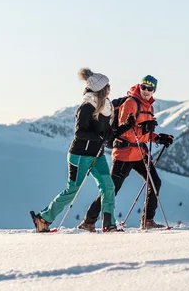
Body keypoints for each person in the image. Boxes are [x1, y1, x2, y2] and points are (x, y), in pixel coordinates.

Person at [30, 69, 135, 233]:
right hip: (80, 155)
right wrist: (100, 136)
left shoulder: (106, 107)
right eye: (107, 86)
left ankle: (109, 224)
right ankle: (43, 218)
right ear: (101, 89)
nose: (110, 88)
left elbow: (107, 135)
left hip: (97, 155)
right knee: (72, 190)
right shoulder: (86, 107)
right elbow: (80, 133)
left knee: (109, 187)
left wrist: (126, 127)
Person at [78, 75, 174, 231]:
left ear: (153, 91)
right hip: (125, 153)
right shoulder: (131, 103)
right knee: (112, 189)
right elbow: (125, 132)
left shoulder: (149, 106)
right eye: (143, 87)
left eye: (150, 88)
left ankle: (148, 220)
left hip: (140, 152)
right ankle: (89, 220)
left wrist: (159, 138)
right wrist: (145, 129)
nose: (146, 91)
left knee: (155, 182)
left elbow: (143, 134)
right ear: (139, 86)